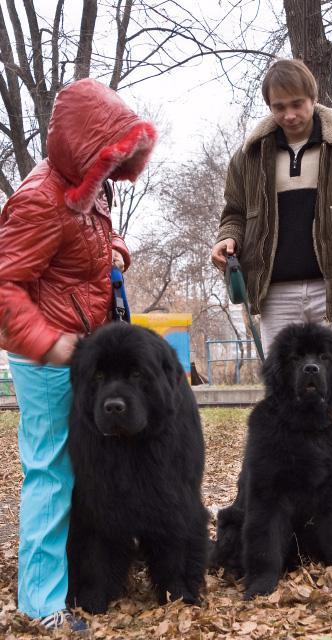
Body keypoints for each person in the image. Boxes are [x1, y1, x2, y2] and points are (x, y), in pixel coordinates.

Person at [211, 58, 332, 558]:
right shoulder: (251, 155)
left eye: (297, 104)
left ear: (313, 98)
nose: (290, 115)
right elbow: (233, 212)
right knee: (282, 412)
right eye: (279, 107)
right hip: (275, 293)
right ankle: (285, 539)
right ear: (269, 108)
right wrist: (228, 238)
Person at [0, 78, 156, 633]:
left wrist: (113, 250)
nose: (116, 169)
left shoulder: (93, 190)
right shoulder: (39, 200)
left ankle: (87, 575)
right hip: (46, 358)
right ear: (85, 150)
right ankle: (40, 605)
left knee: (85, 470)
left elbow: (77, 251)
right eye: (109, 157)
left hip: (82, 354)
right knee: (50, 473)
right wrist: (49, 342)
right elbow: (6, 288)